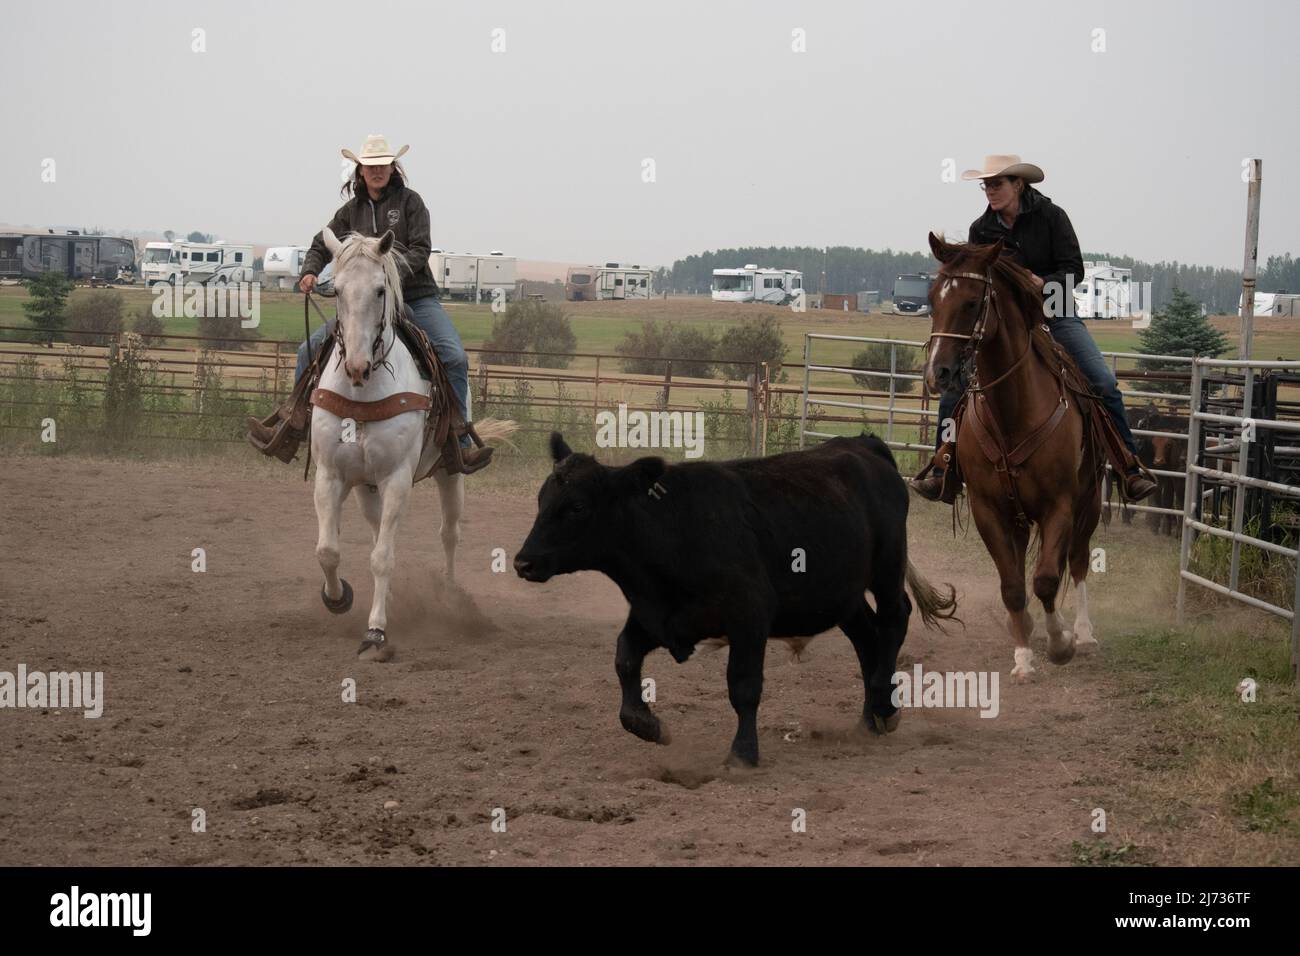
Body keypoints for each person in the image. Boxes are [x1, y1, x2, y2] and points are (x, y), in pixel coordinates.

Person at [911, 154, 1156, 503]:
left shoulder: (1052, 218)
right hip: (1006, 324)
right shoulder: (981, 230)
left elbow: (1074, 270)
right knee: (954, 389)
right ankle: (944, 469)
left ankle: (1127, 467)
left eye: (997, 184)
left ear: (1018, 185)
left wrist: (1042, 284)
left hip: (1056, 314)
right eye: (987, 185)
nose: (990, 191)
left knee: (1102, 381)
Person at [247, 133, 492, 473]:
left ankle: (459, 440)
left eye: (383, 164)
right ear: (360, 171)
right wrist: (309, 271)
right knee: (307, 351)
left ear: (394, 167)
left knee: (453, 356)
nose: (377, 170)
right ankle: (293, 425)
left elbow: (421, 249)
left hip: (416, 297)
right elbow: (321, 244)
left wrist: (389, 275)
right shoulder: (350, 212)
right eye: (370, 166)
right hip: (362, 304)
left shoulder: (412, 204)